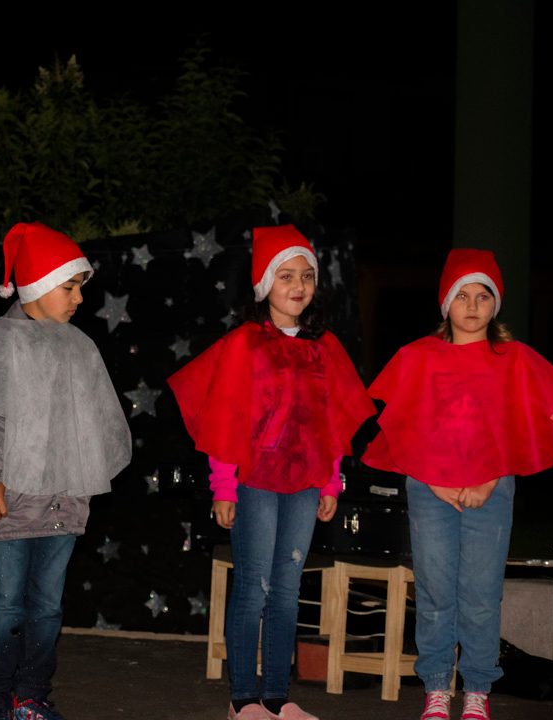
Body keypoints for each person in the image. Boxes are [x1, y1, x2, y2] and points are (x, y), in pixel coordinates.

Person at [362, 248, 553, 720]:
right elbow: (404, 427)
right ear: (445, 303)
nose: (472, 306)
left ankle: (476, 689)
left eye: (483, 296)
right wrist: (434, 479)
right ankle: (435, 686)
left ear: (496, 304)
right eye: (462, 296)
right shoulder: (417, 357)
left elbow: (525, 425)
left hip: (491, 491)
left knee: (480, 593)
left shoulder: (513, 360)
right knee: (434, 592)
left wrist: (491, 478)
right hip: (430, 491)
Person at [168, 225, 374, 720]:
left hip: (303, 485)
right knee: (254, 585)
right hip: (255, 482)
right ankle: (244, 699)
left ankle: (278, 698)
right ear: (264, 285)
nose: (298, 285)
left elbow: (330, 422)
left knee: (286, 590)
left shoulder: (324, 348)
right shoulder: (245, 344)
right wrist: (224, 488)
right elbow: (224, 418)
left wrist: (330, 482)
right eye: (286, 276)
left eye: (306, 275)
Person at [0, 222, 132, 720]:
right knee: (3, 604)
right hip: (9, 504)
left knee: (46, 606)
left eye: (79, 287)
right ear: (38, 285)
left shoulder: (80, 349)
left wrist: (83, 476)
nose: (79, 298)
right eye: (70, 286)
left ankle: (32, 693)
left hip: (63, 504)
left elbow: (101, 428)